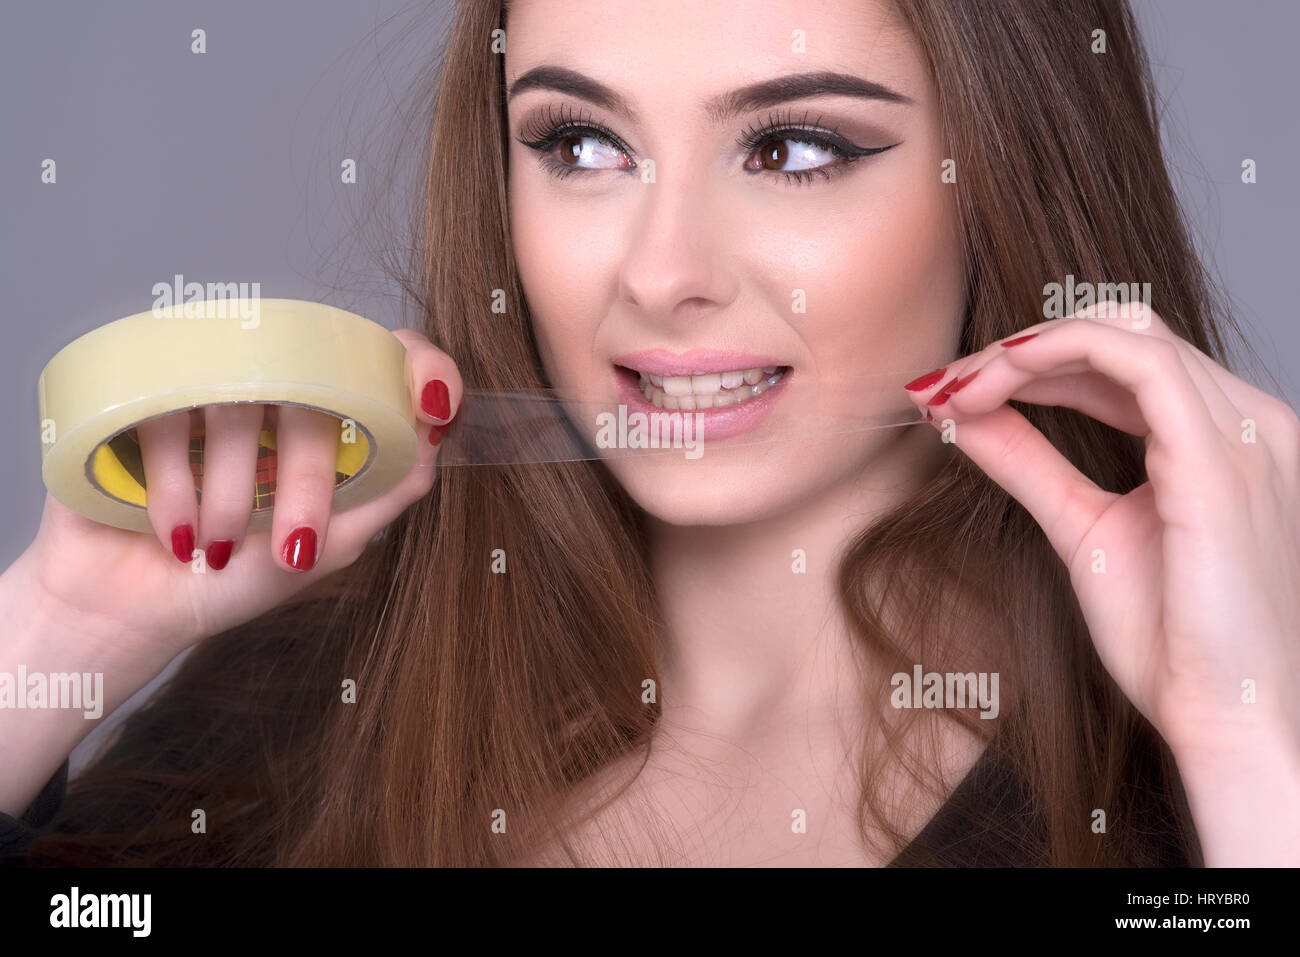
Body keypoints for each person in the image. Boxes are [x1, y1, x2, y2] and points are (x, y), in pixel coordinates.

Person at [2, 0, 1297, 867]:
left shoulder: (1201, 789)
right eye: (581, 144)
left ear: (1006, 176)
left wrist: (1252, 757)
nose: (661, 272)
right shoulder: (306, 694)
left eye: (793, 149)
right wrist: (62, 632)